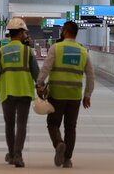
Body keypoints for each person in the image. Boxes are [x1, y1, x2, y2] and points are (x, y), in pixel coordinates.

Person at [36, 21, 95, 168]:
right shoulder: (83, 51)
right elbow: (90, 75)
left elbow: (46, 68)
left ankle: (59, 143)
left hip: (57, 94)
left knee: (53, 123)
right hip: (75, 95)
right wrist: (87, 95)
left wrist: (39, 84)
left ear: (66, 32)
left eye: (63, 29)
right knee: (70, 127)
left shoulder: (56, 48)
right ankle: (67, 159)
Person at [0, 18, 39, 168]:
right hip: (24, 91)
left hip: (7, 91)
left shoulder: (1, 51)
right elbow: (36, 73)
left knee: (9, 124)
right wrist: (41, 87)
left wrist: (1, 79)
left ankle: (11, 155)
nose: (25, 34)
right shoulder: (27, 51)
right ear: (20, 33)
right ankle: (18, 155)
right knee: (21, 124)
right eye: (24, 32)